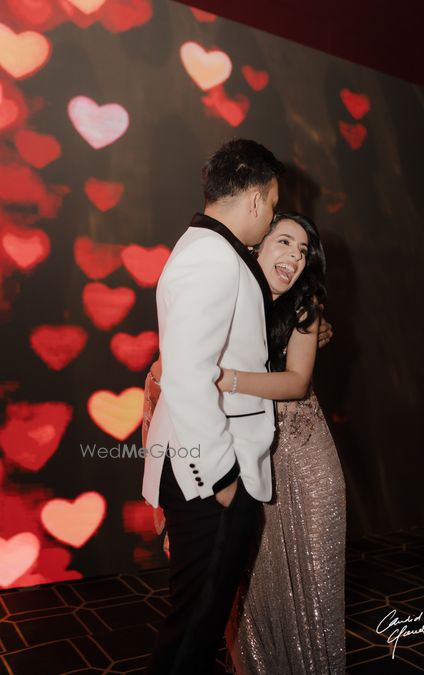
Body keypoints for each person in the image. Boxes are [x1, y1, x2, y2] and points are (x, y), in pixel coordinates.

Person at [143, 211, 345, 674]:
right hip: (246, 456)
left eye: (303, 251)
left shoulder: (305, 306)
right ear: (257, 246)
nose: (294, 256)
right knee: (251, 582)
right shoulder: (230, 291)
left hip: (302, 456)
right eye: (285, 242)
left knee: (313, 581)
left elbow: (296, 383)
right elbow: (170, 367)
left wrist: (224, 378)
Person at [141, 138, 284, 675]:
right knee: (193, 633)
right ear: (255, 199)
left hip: (209, 471)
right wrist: (222, 477)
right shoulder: (210, 257)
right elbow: (186, 377)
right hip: (212, 476)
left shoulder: (209, 250)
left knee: (196, 625)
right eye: (273, 206)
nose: (271, 219)